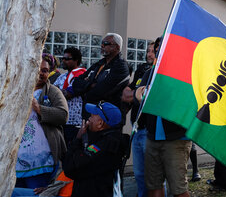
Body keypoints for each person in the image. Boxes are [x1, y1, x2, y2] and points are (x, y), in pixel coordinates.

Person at [16, 57, 69, 188]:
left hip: (41, 161)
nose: (41, 73)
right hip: (15, 161)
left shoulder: (53, 91)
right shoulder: (16, 89)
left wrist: (39, 108)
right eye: (37, 69)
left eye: (45, 70)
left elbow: (63, 115)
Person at [142, 67, 192, 197]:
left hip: (176, 139)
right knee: (153, 186)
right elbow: (137, 94)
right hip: (152, 138)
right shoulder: (151, 71)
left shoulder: (185, 70)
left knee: (178, 189)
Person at [63, 102, 128, 196]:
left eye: (92, 116)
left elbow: (70, 168)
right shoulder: (111, 139)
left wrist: (78, 139)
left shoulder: (104, 145)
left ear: (100, 123)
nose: (89, 119)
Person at [121, 40, 158, 197]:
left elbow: (140, 96)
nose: (149, 54)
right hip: (136, 130)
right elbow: (126, 95)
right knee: (139, 174)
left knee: (154, 178)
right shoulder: (142, 69)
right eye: (148, 51)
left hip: (149, 132)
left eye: (152, 51)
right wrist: (138, 94)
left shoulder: (158, 73)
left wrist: (137, 94)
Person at [72, 33, 130, 119]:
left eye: (106, 43)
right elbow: (75, 83)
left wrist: (86, 86)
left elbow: (101, 91)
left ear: (117, 47)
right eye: (102, 43)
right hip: (89, 115)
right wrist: (91, 85)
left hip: (107, 118)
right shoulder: (99, 64)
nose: (102, 45)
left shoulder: (121, 66)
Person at [53, 47, 87, 147]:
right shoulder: (61, 77)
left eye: (67, 59)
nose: (63, 60)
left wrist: (57, 92)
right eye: (63, 58)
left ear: (76, 61)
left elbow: (67, 94)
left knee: (72, 156)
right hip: (61, 122)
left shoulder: (82, 76)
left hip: (75, 124)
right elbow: (50, 93)